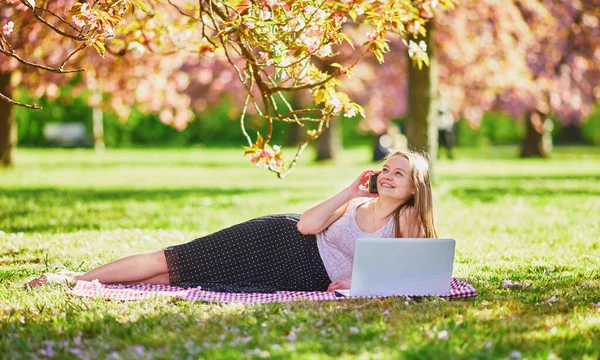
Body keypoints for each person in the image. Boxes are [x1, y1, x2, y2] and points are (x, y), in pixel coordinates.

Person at [25, 149, 437, 292]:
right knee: (171, 260)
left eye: (398, 173)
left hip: (300, 275)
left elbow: (416, 275)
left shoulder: (409, 223)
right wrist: (349, 191)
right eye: (385, 167)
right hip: (277, 240)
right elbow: (306, 227)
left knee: (181, 279)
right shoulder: (355, 203)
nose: (387, 175)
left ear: (414, 187)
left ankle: (93, 283)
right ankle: (73, 280)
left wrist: (357, 285)